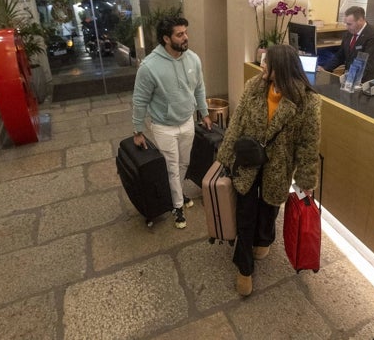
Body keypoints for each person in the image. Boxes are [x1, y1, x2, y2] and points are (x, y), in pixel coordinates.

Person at [216, 44, 321, 296]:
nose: (262, 65)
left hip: (278, 166)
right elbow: (237, 122)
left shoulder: (308, 100)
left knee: (269, 208)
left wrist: (306, 178)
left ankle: (263, 239)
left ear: (281, 67)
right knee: (246, 214)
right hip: (248, 160)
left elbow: (309, 142)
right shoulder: (254, 86)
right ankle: (244, 268)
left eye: (266, 62)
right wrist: (225, 156)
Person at [132, 16, 213, 229]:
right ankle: (177, 205)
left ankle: (175, 191)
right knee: (171, 167)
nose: (186, 37)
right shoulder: (149, 67)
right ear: (166, 39)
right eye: (180, 34)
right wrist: (138, 130)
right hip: (163, 125)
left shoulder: (193, 59)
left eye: (186, 32)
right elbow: (140, 100)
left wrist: (204, 113)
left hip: (187, 121)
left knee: (184, 163)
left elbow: (199, 88)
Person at [320, 6, 374, 82]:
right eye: (346, 24)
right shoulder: (348, 34)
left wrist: (351, 79)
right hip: (348, 79)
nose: (347, 27)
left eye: (349, 24)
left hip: (363, 80)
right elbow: (340, 56)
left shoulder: (373, 36)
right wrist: (325, 69)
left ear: (360, 20)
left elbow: (367, 63)